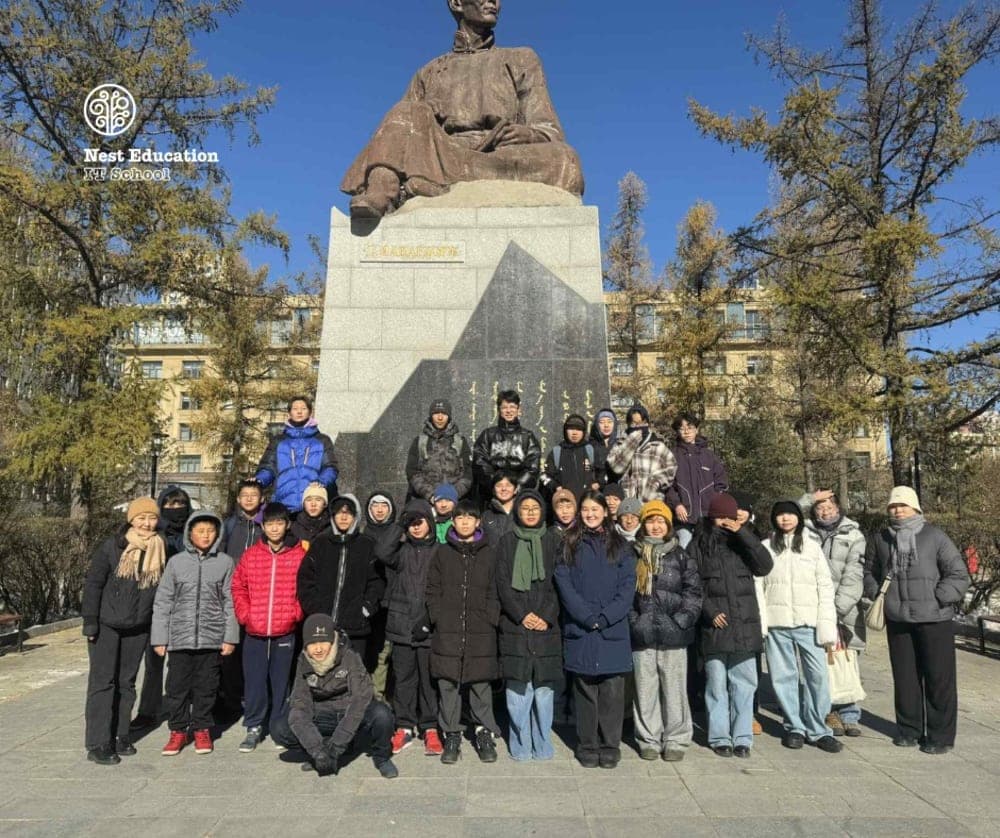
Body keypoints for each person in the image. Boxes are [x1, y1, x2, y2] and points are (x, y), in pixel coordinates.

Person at [340, 0, 583, 218]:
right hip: (444, 156)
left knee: (565, 160)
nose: (493, 2)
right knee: (407, 111)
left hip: (501, 158)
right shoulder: (430, 71)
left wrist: (528, 134)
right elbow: (400, 134)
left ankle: (425, 183)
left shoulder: (521, 58)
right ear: (456, 3)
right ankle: (383, 189)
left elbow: (550, 130)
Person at [864, 486, 970, 755]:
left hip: (935, 619)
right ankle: (908, 730)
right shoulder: (881, 538)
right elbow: (869, 570)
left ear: (915, 508)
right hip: (898, 618)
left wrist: (939, 598)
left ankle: (940, 736)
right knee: (905, 678)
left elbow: (958, 573)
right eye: (893, 506)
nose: (898, 510)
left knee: (938, 679)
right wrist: (876, 592)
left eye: (903, 505)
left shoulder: (934, 537)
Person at [554, 490, 636, 768]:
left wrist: (607, 616)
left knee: (612, 691)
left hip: (612, 628)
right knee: (585, 690)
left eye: (595, 509)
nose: (590, 514)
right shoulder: (569, 543)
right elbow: (564, 583)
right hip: (582, 628)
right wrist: (587, 617)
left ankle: (610, 744)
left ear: (605, 511)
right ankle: (587, 743)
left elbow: (628, 586)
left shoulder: (621, 546)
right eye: (586, 509)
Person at [82, 497, 167, 765]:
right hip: (106, 624)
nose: (146, 523)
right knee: (103, 682)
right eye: (141, 517)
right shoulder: (112, 547)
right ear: (131, 519)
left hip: (138, 626)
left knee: (126, 683)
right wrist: (90, 621)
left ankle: (120, 734)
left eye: (151, 518)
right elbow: (94, 584)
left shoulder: (161, 548)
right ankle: (97, 741)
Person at [688, 493, 772, 758]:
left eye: (730, 518)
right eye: (720, 518)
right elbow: (691, 583)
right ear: (711, 518)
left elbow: (765, 566)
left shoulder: (744, 542)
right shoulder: (698, 544)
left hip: (745, 625)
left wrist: (743, 534)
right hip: (715, 627)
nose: (725, 522)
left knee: (745, 684)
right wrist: (709, 612)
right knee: (715, 685)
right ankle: (719, 736)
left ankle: (742, 737)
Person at [150, 511, 238, 756]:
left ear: (217, 534)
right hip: (180, 639)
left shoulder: (224, 562)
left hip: (211, 639)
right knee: (177, 688)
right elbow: (163, 601)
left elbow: (230, 602)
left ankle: (201, 729)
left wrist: (229, 637)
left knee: (206, 688)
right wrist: (159, 638)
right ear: (190, 532)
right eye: (200, 530)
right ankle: (178, 730)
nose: (205, 535)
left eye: (210, 531)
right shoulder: (176, 562)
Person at [271, 614, 398, 779]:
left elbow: (360, 700)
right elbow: (300, 705)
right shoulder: (303, 661)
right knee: (279, 729)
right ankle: (322, 753)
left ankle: (381, 758)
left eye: (323, 642)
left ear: (333, 641)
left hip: (350, 712)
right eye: (312, 644)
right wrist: (317, 751)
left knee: (382, 715)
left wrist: (337, 746)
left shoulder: (350, 657)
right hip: (322, 714)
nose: (318, 649)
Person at [762, 501, 842, 754]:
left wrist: (827, 624)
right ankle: (794, 726)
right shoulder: (766, 548)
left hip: (809, 622)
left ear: (798, 517)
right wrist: (763, 621)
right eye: (780, 515)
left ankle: (818, 729)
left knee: (817, 677)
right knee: (783, 677)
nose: (785, 519)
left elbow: (825, 587)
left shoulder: (812, 547)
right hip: (777, 623)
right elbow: (758, 587)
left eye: (790, 514)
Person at [427, 498, 502, 764]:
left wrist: (491, 616)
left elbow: (496, 588)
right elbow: (432, 588)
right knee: (448, 684)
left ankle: (484, 732)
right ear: (453, 521)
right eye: (460, 518)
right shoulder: (442, 552)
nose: (465, 522)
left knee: (480, 684)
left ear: (478, 522)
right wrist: (437, 615)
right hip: (448, 628)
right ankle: (452, 734)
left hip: (481, 629)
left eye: (470, 517)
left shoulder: (490, 553)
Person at [629, 500, 703, 762]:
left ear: (669, 525)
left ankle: (676, 738)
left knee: (674, 689)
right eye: (651, 520)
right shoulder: (633, 553)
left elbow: (693, 593)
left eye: (661, 521)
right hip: (643, 632)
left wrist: (682, 620)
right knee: (645, 689)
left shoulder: (681, 555)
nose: (656, 525)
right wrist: (634, 621)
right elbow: (625, 593)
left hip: (674, 633)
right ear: (643, 524)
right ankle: (648, 738)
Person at [231, 502, 306, 752]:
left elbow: (307, 589)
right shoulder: (252, 554)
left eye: (279, 523)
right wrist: (245, 614)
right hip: (255, 630)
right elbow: (238, 586)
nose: (274, 528)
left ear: (287, 525)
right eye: (270, 523)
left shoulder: (298, 554)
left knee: (280, 681)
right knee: (254, 680)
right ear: (263, 526)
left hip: (285, 630)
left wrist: (295, 614)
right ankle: (253, 726)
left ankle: (278, 726)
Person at [496, 490, 562, 761]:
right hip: (516, 625)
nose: (531, 512)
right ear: (518, 512)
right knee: (518, 689)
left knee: (544, 691)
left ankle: (543, 740)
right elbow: (501, 582)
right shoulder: (507, 541)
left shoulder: (553, 540)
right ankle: (520, 741)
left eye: (536, 507)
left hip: (546, 626)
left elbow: (561, 582)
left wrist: (546, 615)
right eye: (526, 508)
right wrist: (521, 614)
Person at [376, 499, 442, 756]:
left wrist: (430, 619)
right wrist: (399, 525)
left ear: (430, 524)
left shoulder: (439, 551)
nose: (415, 527)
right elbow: (382, 552)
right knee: (403, 678)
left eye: (419, 522)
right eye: (411, 523)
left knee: (428, 680)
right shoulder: (400, 551)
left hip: (428, 626)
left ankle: (430, 726)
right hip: (401, 624)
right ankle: (404, 725)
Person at [801, 489, 866, 737]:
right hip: (814, 605)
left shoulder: (854, 534)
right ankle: (827, 710)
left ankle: (849, 712)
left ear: (838, 507)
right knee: (821, 661)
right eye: (819, 506)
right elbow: (784, 518)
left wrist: (838, 607)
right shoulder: (804, 533)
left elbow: (854, 573)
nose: (824, 510)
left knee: (846, 659)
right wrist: (808, 498)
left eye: (829, 505)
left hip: (844, 608)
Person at [131, 485, 192, 730]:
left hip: (185, 606)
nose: (175, 510)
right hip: (154, 606)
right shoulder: (153, 535)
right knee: (153, 661)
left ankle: (186, 706)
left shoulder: (195, 530)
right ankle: (148, 709)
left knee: (185, 662)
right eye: (169, 505)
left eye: (179, 505)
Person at [296, 495, 385, 657]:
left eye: (348, 513)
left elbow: (377, 582)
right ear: (332, 516)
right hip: (323, 625)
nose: (343, 517)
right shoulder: (320, 543)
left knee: (354, 674)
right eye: (339, 513)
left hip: (355, 625)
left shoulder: (366, 545)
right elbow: (305, 579)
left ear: (355, 516)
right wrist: (315, 610)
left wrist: (366, 608)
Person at [255, 396, 338, 513]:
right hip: (283, 505)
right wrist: (259, 480)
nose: (299, 412)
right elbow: (268, 468)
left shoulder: (322, 440)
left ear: (310, 411)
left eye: (303, 408)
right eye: (295, 409)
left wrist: (321, 482)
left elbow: (331, 468)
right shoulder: (278, 441)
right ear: (289, 413)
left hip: (312, 505)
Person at [664, 413, 728, 548]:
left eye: (690, 427)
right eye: (681, 428)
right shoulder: (671, 455)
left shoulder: (709, 456)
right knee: (684, 548)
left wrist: (713, 503)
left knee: (709, 551)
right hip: (684, 518)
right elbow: (666, 485)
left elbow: (721, 483)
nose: (686, 431)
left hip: (707, 518)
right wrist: (676, 504)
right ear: (677, 431)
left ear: (697, 430)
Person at [362, 489, 398, 698]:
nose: (379, 509)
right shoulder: (364, 534)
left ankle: (383, 693)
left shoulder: (398, 535)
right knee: (373, 651)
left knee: (387, 653)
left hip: (392, 600)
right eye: (375, 505)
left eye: (384, 505)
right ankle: (373, 695)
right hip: (371, 601)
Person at [472, 389, 541, 497]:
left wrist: (516, 487)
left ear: (519, 410)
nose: (508, 411)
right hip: (491, 495)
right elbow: (480, 463)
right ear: (499, 410)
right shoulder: (488, 435)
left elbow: (532, 468)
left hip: (519, 494)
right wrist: (497, 486)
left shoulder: (527, 436)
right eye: (504, 407)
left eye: (512, 407)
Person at [605, 404, 677, 503]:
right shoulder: (620, 444)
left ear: (647, 423)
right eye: (634, 424)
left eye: (642, 423)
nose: (638, 427)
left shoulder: (657, 445)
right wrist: (631, 442)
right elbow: (617, 468)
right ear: (628, 424)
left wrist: (654, 483)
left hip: (652, 501)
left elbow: (671, 467)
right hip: (627, 502)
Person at [405, 398, 473, 502]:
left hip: (455, 500)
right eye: (436, 413)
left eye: (444, 414)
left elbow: (467, 473)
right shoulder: (420, 441)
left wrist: (453, 495)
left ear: (449, 416)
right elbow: (413, 472)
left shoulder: (460, 441)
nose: (440, 417)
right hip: (426, 501)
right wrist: (431, 495)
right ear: (431, 416)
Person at [540, 414, 599, 501]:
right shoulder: (557, 452)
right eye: (571, 429)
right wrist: (556, 487)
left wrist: (598, 483)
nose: (574, 433)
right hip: (564, 505)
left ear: (584, 431)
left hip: (587, 504)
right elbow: (544, 476)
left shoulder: (590, 450)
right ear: (565, 430)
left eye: (578, 429)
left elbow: (602, 472)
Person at [222, 478, 265, 559]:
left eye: (254, 495)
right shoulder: (230, 523)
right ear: (238, 499)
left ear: (262, 498)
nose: (249, 499)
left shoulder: (266, 524)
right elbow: (221, 550)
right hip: (234, 570)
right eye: (244, 495)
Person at [290, 483, 331, 550]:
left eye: (318, 500)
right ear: (304, 504)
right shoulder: (294, 527)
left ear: (324, 504)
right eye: (309, 500)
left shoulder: (331, 527)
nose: (313, 504)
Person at [482, 471, 517, 545]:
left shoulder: (522, 513)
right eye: (499, 485)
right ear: (493, 490)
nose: (504, 488)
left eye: (508, 485)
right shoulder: (486, 516)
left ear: (515, 490)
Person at [588, 408, 621, 485]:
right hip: (596, 491)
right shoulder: (590, 446)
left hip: (616, 491)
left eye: (610, 422)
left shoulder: (620, 444)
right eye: (602, 422)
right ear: (596, 424)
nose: (606, 425)